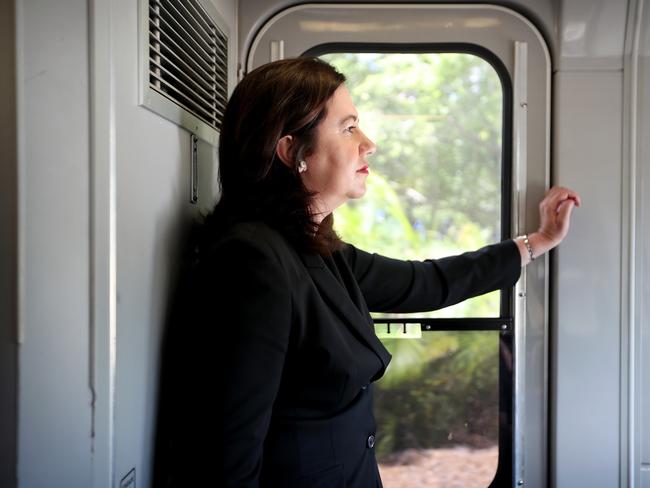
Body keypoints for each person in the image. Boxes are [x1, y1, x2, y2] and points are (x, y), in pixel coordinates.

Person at [153, 57, 580, 488]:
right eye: (348, 127)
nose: (368, 143)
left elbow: (426, 283)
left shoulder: (319, 250)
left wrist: (536, 241)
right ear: (290, 153)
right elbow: (225, 462)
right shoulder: (251, 262)